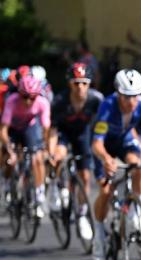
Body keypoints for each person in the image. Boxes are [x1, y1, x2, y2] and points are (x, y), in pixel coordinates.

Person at [90, 69, 141, 260]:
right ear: (117, 93)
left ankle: (135, 211)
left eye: (135, 96)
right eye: (127, 96)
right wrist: (106, 159)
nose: (132, 101)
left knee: (138, 165)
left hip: (125, 141)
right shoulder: (107, 106)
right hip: (105, 145)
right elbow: (96, 143)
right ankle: (98, 235)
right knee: (105, 192)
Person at [48, 63, 103, 237]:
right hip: (64, 133)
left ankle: (81, 214)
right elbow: (53, 130)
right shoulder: (59, 101)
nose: (80, 87)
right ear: (69, 84)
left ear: (89, 84)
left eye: (84, 83)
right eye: (76, 83)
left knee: (85, 176)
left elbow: (104, 124)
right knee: (58, 155)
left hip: (83, 133)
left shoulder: (96, 99)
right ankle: (57, 186)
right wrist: (51, 153)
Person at [0, 76, 51, 217]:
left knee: (37, 159)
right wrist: (10, 150)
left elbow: (46, 128)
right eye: (25, 96)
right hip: (12, 129)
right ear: (19, 93)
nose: (28, 101)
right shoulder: (12, 101)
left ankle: (39, 195)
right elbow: (3, 130)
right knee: (10, 160)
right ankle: (7, 182)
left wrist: (45, 148)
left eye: (32, 97)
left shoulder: (42, 103)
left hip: (30, 128)